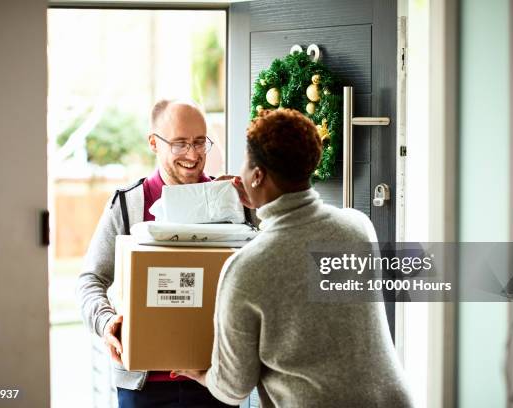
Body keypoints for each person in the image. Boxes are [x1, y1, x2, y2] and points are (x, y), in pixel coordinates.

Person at [174, 109, 414, 407]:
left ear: (258, 175)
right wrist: (262, 202)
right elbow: (296, 244)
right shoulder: (357, 226)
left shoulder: (246, 268)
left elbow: (233, 388)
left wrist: (202, 374)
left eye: (246, 165)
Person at [77, 100, 235, 407]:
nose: (193, 154)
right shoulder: (127, 205)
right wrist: (106, 321)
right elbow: (90, 280)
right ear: (154, 142)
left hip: (215, 381)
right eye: (180, 144)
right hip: (143, 387)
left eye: (200, 142)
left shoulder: (229, 201)